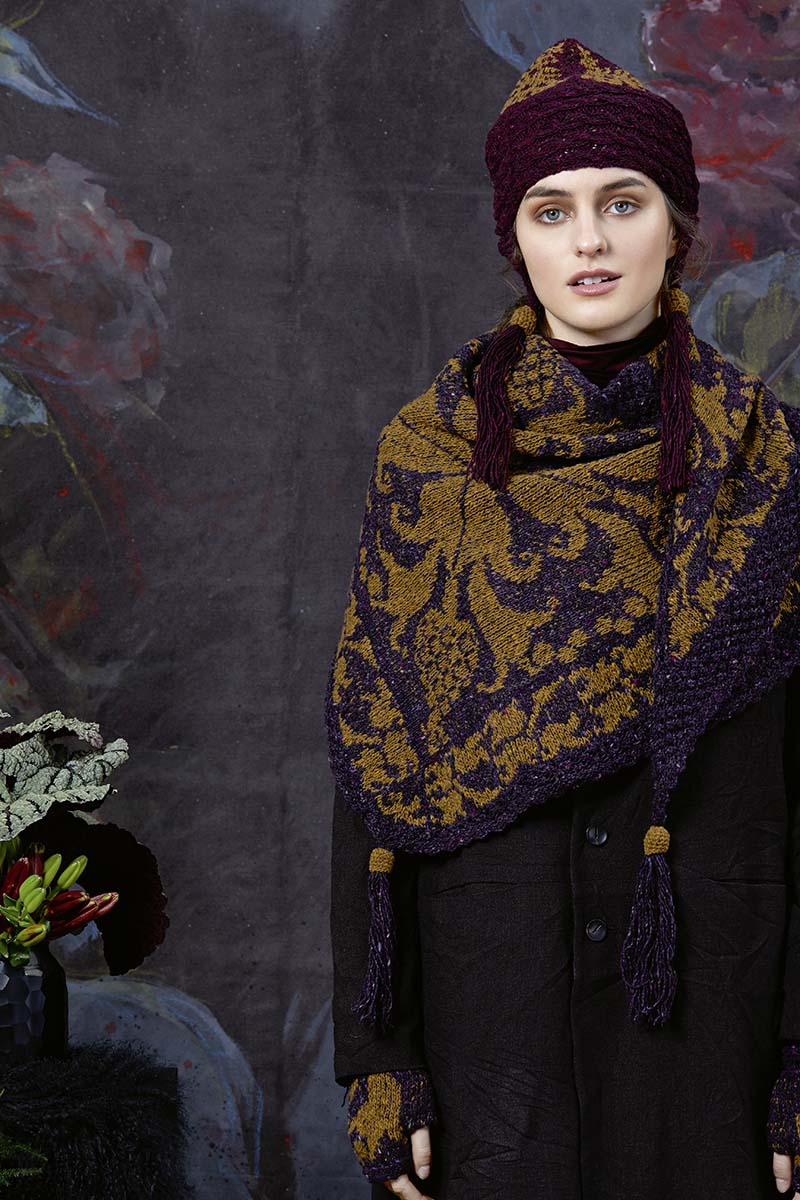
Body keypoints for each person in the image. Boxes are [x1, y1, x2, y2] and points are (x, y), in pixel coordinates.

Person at [325, 37, 800, 1199]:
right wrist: (379, 1058)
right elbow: (371, 762)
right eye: (551, 211)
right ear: (515, 238)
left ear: (674, 227)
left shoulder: (763, 460)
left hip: (707, 1023)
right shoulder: (427, 457)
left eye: (620, 203)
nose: (587, 241)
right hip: (490, 1022)